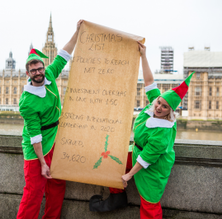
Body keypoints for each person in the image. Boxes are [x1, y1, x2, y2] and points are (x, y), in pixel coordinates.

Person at [90, 41, 194, 219]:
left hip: (154, 165)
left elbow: (147, 158)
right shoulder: (154, 104)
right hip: (137, 151)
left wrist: (128, 176)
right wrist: (143, 55)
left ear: (171, 111)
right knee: (110, 159)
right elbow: (149, 82)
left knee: (150, 204)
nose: (159, 107)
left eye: (164, 107)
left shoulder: (163, 132)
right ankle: (117, 198)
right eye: (159, 102)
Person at [17, 20, 84, 219]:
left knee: (57, 184)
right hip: (37, 147)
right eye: (34, 70)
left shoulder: (51, 76)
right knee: (33, 193)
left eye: (40, 68)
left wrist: (77, 33)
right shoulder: (27, 101)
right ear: (28, 73)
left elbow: (64, 55)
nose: (38, 72)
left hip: (56, 137)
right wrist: (42, 163)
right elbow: (35, 135)